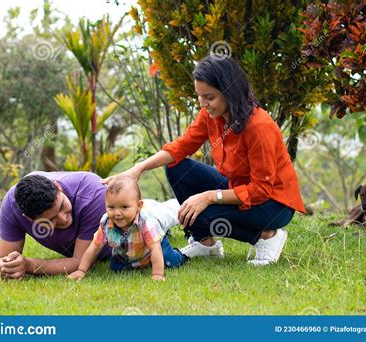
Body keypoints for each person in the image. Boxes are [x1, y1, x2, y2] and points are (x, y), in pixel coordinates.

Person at [103, 55, 305, 266]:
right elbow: (180, 148)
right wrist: (137, 169)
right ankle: (205, 243)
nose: (203, 103)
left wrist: (209, 197)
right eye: (200, 96)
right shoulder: (211, 116)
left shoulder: (259, 127)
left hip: (272, 204)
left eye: (209, 97)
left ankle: (267, 237)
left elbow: (260, 190)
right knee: (176, 167)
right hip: (238, 188)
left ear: (229, 92)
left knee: (201, 212)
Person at [0, 171, 111, 279]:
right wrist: (9, 266)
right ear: (30, 219)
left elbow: (81, 262)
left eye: (62, 206)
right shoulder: (12, 207)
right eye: (51, 219)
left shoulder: (92, 195)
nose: (63, 219)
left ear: (58, 187)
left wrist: (29, 265)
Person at [68, 176, 187, 282]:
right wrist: (81, 270)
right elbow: (94, 248)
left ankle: (182, 254)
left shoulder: (146, 221)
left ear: (139, 206)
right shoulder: (105, 223)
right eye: (111, 207)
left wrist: (157, 274)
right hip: (124, 254)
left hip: (154, 247)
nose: (117, 213)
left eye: (124, 207)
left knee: (171, 262)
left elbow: (155, 249)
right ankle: (140, 263)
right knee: (117, 270)